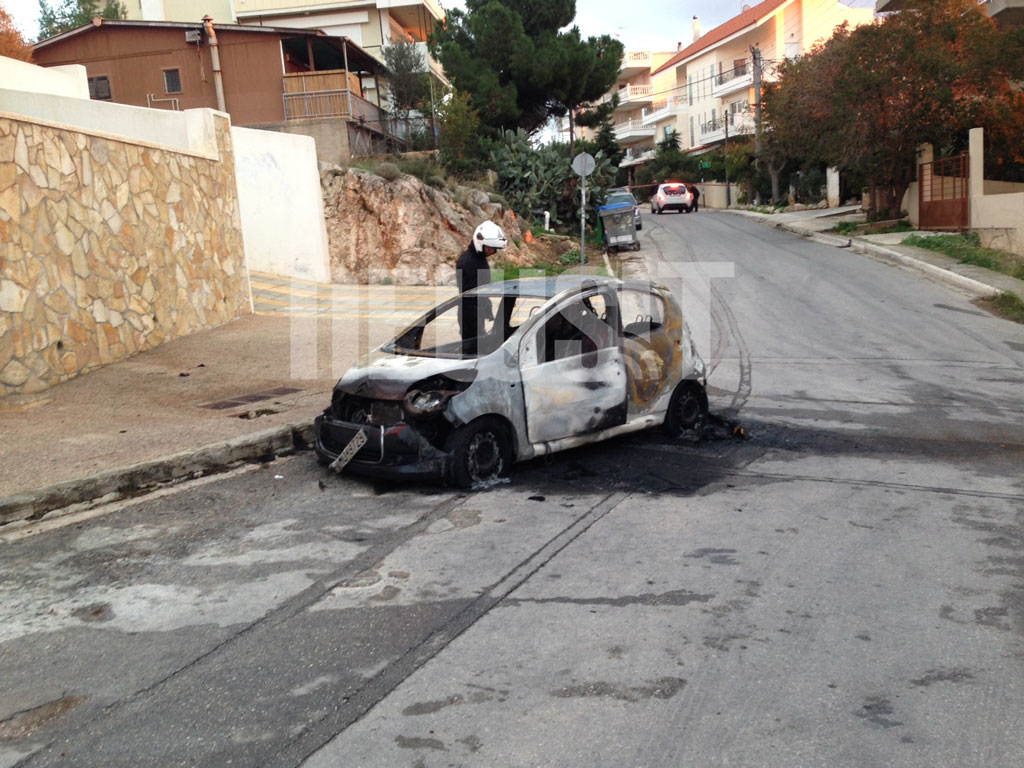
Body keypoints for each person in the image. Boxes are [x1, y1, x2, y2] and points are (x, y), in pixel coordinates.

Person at [456, 220, 508, 345]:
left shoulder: (478, 258)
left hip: (477, 311)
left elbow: (481, 288)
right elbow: (468, 297)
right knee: (472, 350)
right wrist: (478, 327)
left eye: (495, 249)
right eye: (491, 248)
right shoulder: (468, 262)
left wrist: (486, 306)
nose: (492, 252)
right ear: (480, 243)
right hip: (470, 316)